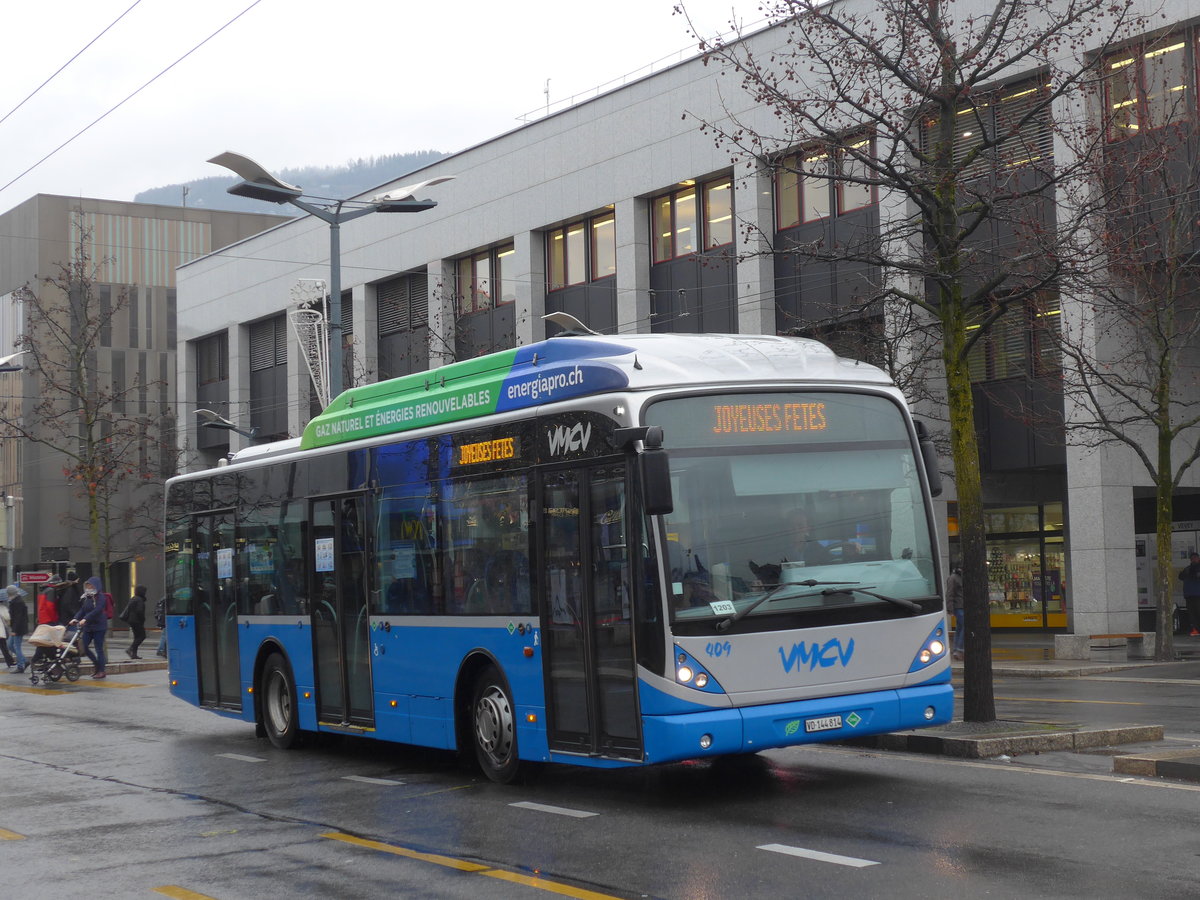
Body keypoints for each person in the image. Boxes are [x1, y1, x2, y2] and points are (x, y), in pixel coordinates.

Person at [70, 577, 109, 678]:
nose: (88, 587)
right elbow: (82, 610)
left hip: (99, 626)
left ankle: (101, 671)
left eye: (90, 585)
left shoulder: (100, 597)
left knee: (99, 649)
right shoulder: (87, 597)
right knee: (84, 647)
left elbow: (98, 610)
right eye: (87, 585)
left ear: (96, 586)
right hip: (88, 627)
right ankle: (96, 664)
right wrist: (75, 618)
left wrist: (85, 619)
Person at [120, 585, 148, 659]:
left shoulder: (133, 598)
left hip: (131, 620)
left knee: (136, 637)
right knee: (142, 636)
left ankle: (134, 654)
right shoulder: (139, 600)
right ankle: (130, 649)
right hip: (137, 621)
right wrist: (143, 619)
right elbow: (139, 611)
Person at [6, 584, 29, 673]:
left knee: (16, 646)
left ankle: (20, 666)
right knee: (10, 645)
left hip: (18, 628)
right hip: (16, 627)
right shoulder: (14, 601)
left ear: (10, 593)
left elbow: (18, 617)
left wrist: (14, 630)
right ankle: (25, 661)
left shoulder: (18, 602)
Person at [1179, 552, 1200, 637]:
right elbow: (1180, 576)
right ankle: (1195, 629)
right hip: (1189, 595)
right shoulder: (1188, 568)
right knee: (1192, 613)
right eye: (1192, 558)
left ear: (1198, 558)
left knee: (1198, 612)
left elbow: (1194, 576)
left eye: (1195, 558)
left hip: (1198, 595)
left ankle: (1197, 629)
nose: (1194, 559)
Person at [946, 566, 964, 660]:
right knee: (964, 626)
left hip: (960, 606)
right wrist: (950, 609)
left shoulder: (959, 577)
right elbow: (950, 593)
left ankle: (956, 650)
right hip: (958, 606)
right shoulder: (953, 578)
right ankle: (959, 650)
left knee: (960, 628)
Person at [0, 589, 14, 669]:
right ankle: (10, 662)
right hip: (0, 632)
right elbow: (7, 617)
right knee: (4, 648)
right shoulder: (2, 607)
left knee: (4, 647)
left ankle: (10, 661)